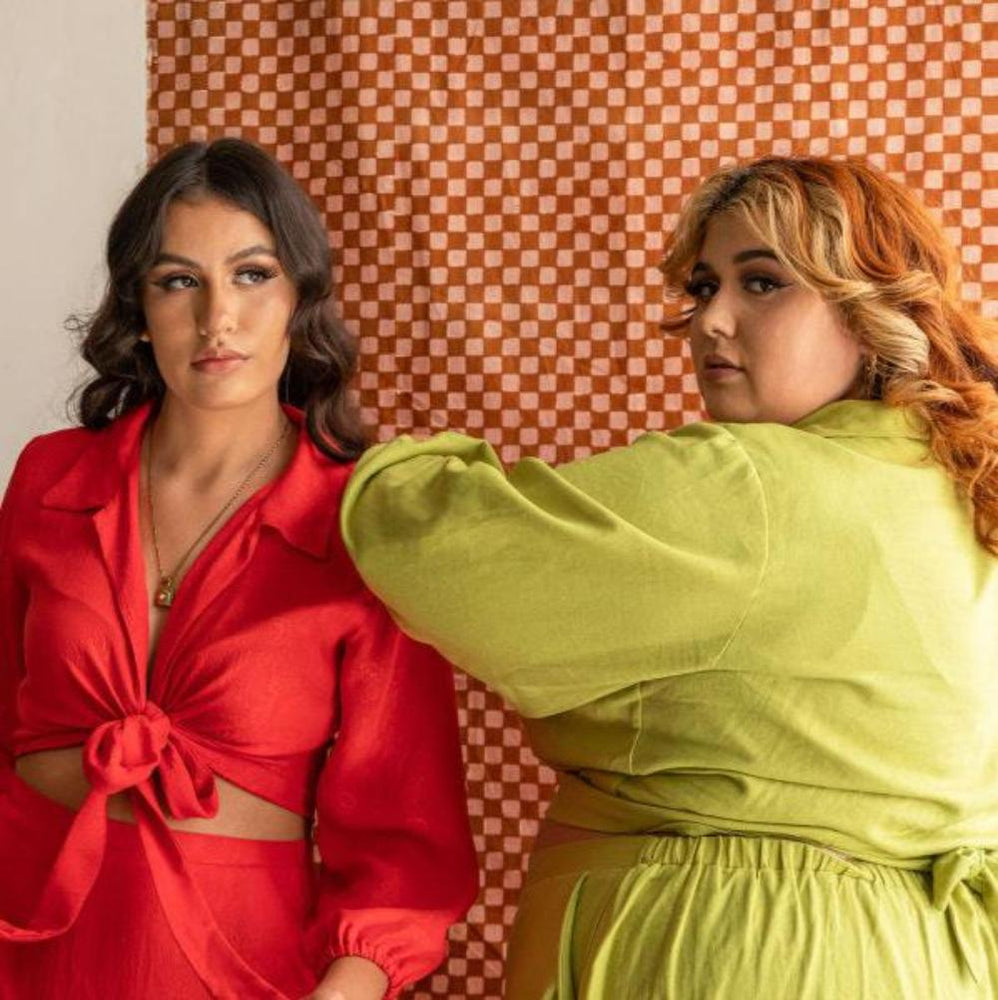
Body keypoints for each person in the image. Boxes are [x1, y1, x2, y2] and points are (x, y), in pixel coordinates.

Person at [341, 156, 998, 998]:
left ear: (867, 311)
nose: (711, 321)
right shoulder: (964, 495)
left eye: (762, 283)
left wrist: (376, 467)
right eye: (704, 286)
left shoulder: (749, 487)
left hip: (735, 949)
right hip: (926, 963)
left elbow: (435, 547)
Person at [0, 138, 478, 1000]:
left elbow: (405, 846)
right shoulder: (48, 479)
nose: (217, 317)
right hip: (27, 934)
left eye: (253, 275)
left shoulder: (363, 523)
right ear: (138, 307)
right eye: (178, 281)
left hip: (240, 962)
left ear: (300, 298)